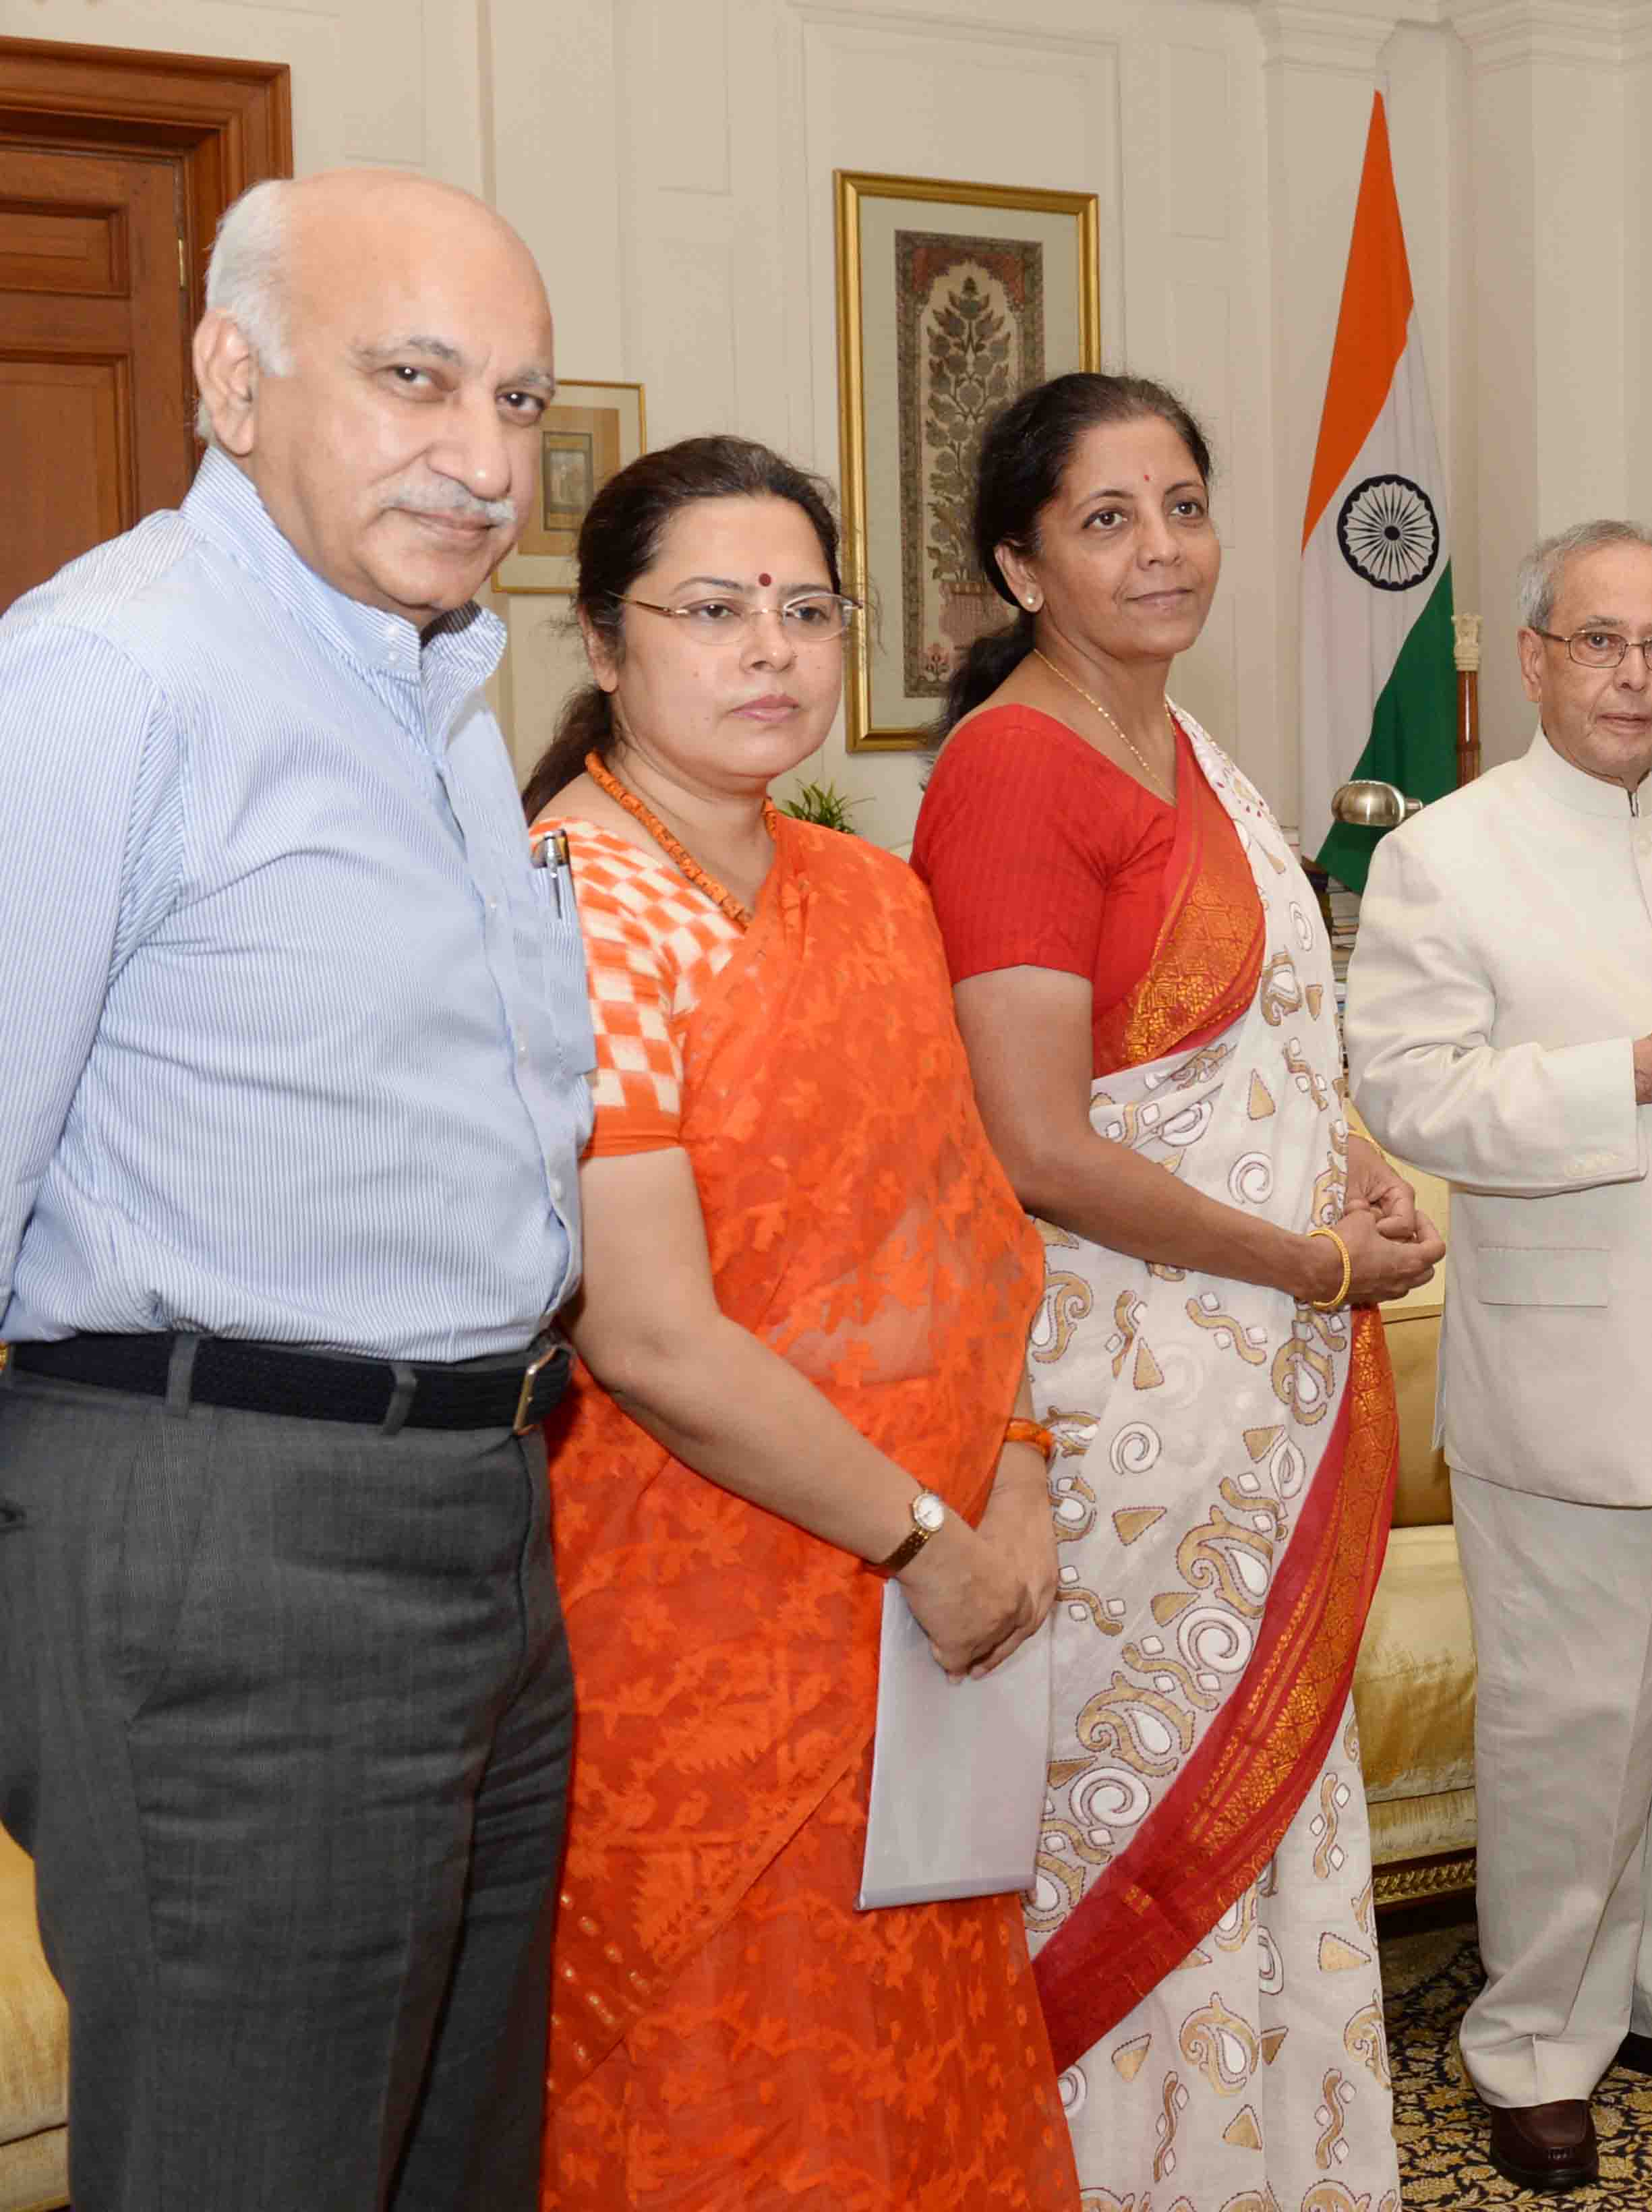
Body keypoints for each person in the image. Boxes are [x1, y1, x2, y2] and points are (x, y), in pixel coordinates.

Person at [0, 170, 589, 2211]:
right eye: (414, 380)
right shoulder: (110, 677)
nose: (485, 456)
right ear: (229, 381)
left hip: (486, 1520)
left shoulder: (425, 685)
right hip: (224, 1529)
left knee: (448, 2166)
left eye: (518, 401)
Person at [521, 436, 1078, 2207]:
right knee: (711, 2077)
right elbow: (653, 1340)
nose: (769, 649)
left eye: (805, 609)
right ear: (606, 646)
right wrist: (919, 1533)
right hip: (681, 1623)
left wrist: (1016, 1472)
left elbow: (968, 1236)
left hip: (924, 1619)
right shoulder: (565, 907)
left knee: (911, 2045)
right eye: (712, 610)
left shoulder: (868, 894)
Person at [910, 372, 1439, 2210]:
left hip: (1265, 1391)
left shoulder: (1196, 749)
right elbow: (1038, 1144)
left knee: (1282, 1816)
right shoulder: (1007, 777)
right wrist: (1311, 1257)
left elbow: (1276, 1037)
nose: (1162, 548)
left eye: (1185, 504)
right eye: (1108, 517)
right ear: (1021, 564)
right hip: (1133, 1408)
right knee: (1132, 1831)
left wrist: (1354, 1155)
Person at [1347, 520, 1652, 2193]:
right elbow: (1412, 1092)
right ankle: (1536, 2036)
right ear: (1541, 656)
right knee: (1571, 1732)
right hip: (1569, 1376)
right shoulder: (1448, 852)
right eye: (1602, 643)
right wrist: (1622, 1073)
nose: (1635, 676)